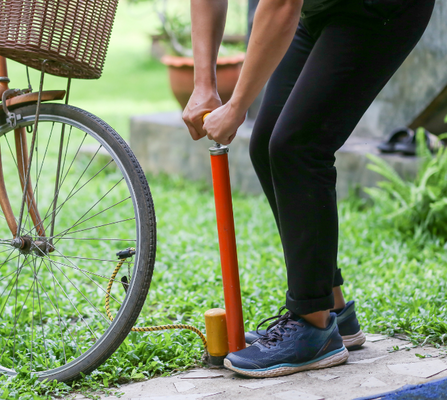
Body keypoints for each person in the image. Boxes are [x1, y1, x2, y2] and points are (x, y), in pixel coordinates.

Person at [182, 0, 435, 378]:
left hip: (379, 8)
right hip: (319, 9)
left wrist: (237, 106)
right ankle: (332, 310)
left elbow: (281, 4)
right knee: (267, 143)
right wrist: (205, 85)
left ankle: (313, 326)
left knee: (299, 146)